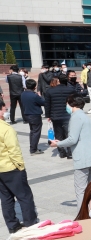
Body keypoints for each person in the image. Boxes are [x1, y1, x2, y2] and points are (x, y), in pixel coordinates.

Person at [49, 94, 91, 210]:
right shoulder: (85, 117)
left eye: (67, 104)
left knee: (80, 190)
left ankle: (82, 216)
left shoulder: (75, 117)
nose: (66, 106)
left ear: (72, 104)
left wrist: (57, 144)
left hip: (82, 159)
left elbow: (72, 139)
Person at [0, 100, 38, 233]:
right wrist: (20, 166)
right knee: (24, 196)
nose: (5, 113)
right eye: (4, 110)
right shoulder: (6, 129)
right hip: (11, 168)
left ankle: (12, 225)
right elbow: (13, 150)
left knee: (6, 198)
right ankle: (30, 222)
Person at [45, 74, 79, 159]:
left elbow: (47, 104)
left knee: (58, 134)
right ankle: (70, 152)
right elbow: (76, 100)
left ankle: (62, 152)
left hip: (55, 115)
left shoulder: (50, 91)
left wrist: (48, 115)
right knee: (68, 134)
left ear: (59, 80)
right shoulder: (71, 89)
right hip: (68, 115)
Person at [20, 79, 45, 155]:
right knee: (36, 132)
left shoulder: (23, 94)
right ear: (34, 86)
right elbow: (43, 102)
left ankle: (33, 147)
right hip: (35, 115)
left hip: (27, 114)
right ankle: (33, 149)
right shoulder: (34, 95)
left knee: (32, 131)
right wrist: (40, 96)